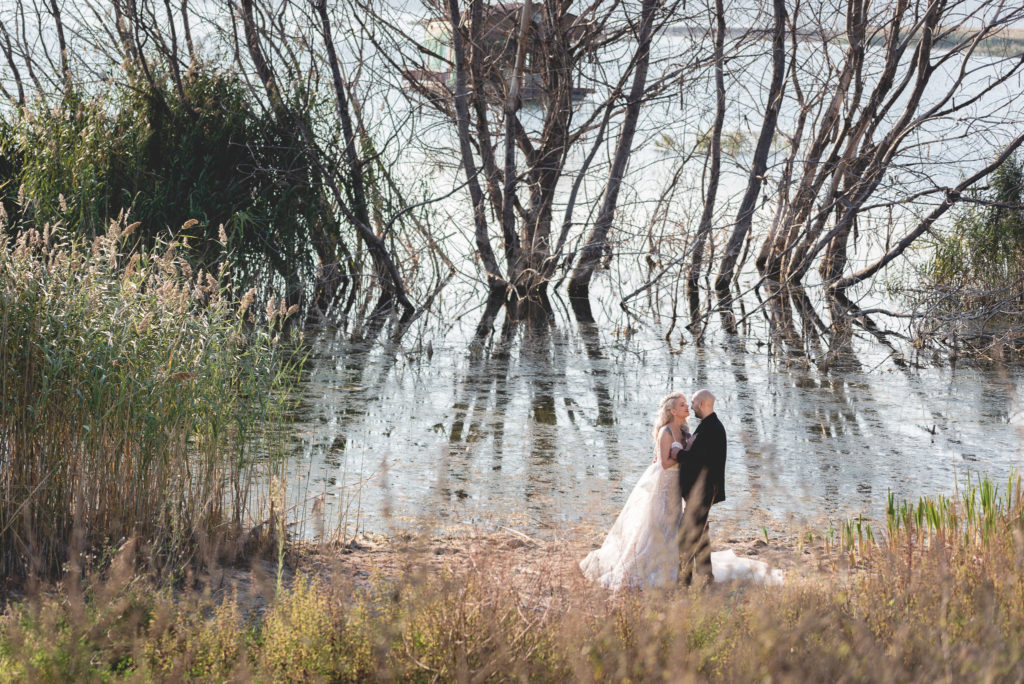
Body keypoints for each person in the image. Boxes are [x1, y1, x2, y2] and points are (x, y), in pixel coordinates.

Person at [579, 393, 691, 590]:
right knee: (656, 524)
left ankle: (670, 565)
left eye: (686, 404)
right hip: (664, 483)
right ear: (672, 411)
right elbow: (665, 463)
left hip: (676, 485)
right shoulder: (666, 432)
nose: (686, 407)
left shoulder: (684, 430)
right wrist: (686, 456)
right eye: (682, 405)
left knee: (672, 524)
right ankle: (645, 566)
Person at [672, 388, 726, 587]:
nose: (691, 407)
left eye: (693, 403)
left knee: (686, 536)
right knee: (701, 535)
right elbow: (700, 454)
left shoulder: (712, 428)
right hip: (701, 491)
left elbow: (697, 461)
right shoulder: (708, 425)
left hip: (702, 492)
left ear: (702, 404)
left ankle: (683, 582)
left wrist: (677, 452)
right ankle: (706, 577)